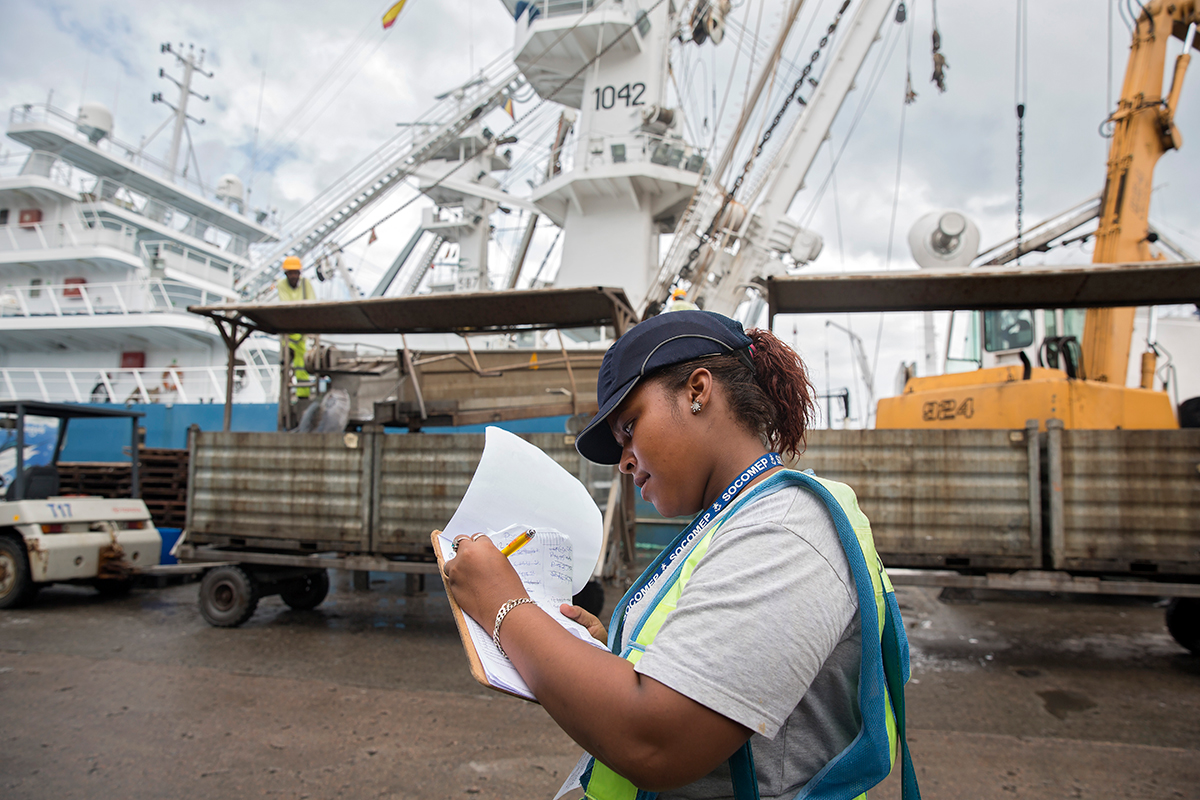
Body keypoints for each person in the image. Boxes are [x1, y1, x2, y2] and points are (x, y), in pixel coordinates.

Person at [444, 310, 918, 800]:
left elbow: (655, 743)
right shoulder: (732, 519)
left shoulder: (783, 529)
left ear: (697, 391)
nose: (626, 460)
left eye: (629, 427)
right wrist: (600, 660)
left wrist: (504, 606)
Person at [275, 256, 316, 399]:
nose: (293, 276)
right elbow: (286, 306)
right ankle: (284, 396)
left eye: (295, 272)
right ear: (286, 274)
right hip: (288, 333)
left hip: (303, 332)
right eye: (290, 273)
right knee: (286, 366)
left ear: (299, 273)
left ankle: (303, 395)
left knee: (303, 365)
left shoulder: (306, 284)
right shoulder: (281, 284)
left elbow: (311, 305)